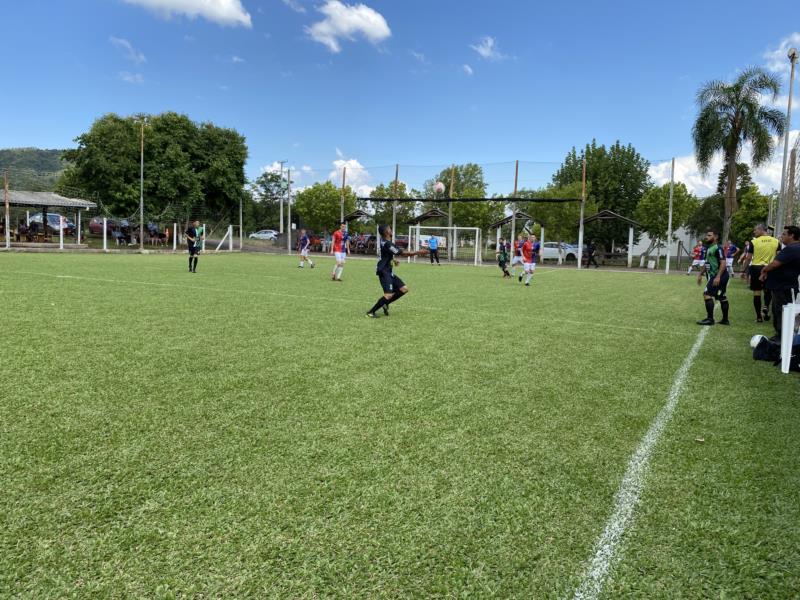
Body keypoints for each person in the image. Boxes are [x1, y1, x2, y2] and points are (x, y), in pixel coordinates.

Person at [366, 225, 427, 318]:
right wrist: (418, 252)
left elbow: (386, 254)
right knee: (388, 295)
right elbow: (403, 253)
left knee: (404, 289)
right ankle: (371, 312)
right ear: (386, 232)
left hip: (388, 271)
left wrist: (393, 260)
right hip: (384, 271)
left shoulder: (386, 242)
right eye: (390, 229)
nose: (391, 230)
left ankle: (385, 304)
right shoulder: (387, 244)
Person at [759, 225, 800, 341]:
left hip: (784, 287)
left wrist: (764, 270)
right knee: (780, 311)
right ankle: (781, 335)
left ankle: (781, 337)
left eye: (784, 234)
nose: (782, 237)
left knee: (781, 311)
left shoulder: (791, 248)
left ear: (792, 236)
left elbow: (775, 264)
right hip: (785, 286)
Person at [744, 223, 780, 323]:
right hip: (771, 268)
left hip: (756, 268)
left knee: (757, 292)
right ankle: (766, 306)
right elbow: (779, 256)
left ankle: (759, 317)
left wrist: (744, 270)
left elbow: (749, 258)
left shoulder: (754, 242)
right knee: (768, 290)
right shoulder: (776, 241)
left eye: (755, 230)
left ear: (761, 230)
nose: (754, 232)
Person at [696, 229, 730, 326]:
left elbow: (723, 263)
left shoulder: (718, 248)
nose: (707, 237)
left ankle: (710, 319)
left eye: (709, 235)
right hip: (719, 275)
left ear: (715, 237)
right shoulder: (709, 248)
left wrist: (718, 277)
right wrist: (700, 274)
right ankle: (725, 320)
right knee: (722, 296)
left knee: (706, 294)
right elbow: (707, 264)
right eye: (707, 235)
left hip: (719, 275)